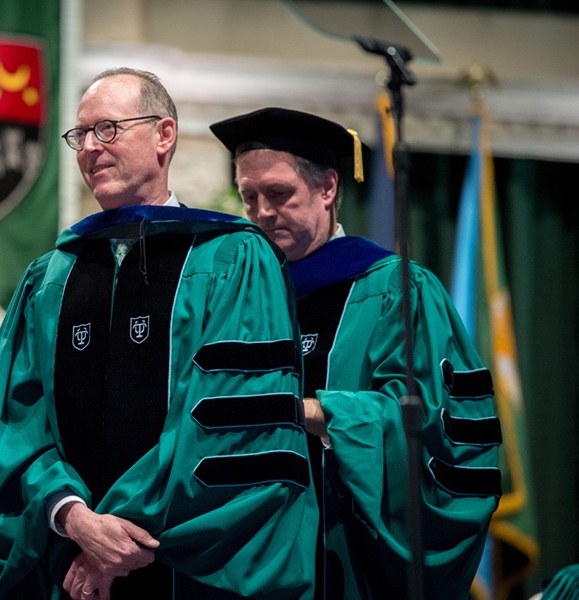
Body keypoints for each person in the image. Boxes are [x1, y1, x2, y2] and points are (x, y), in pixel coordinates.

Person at [0, 72, 318, 599]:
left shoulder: (232, 260)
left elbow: (232, 423)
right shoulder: (50, 277)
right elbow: (16, 424)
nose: (90, 149)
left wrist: (115, 541)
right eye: (81, 136)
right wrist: (72, 518)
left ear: (164, 135)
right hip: (69, 563)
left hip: (187, 572)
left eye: (108, 128)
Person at [210, 107, 503, 599]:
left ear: (327, 188)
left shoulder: (397, 290)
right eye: (249, 197)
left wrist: (307, 413)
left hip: (353, 563)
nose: (261, 212)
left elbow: (426, 422)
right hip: (251, 566)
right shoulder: (238, 301)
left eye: (279, 193)